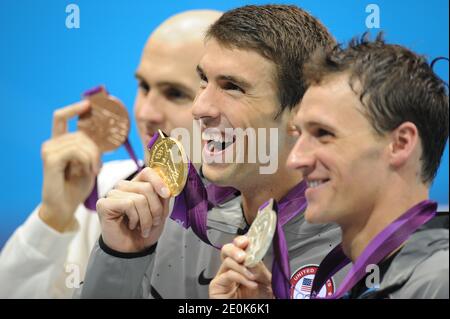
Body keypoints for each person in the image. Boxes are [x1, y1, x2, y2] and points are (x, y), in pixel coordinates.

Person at [78, 5, 345, 300]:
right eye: (203, 80)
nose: (200, 108)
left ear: (300, 114)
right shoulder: (168, 221)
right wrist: (120, 258)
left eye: (232, 87)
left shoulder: (354, 243)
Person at [0, 9, 222, 298]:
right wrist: (54, 218)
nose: (145, 113)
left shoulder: (267, 211)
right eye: (143, 86)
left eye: (175, 93)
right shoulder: (108, 191)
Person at [214, 34, 449, 299]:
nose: (296, 159)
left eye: (324, 134)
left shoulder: (439, 281)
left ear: (400, 144)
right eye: (300, 134)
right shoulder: (377, 283)